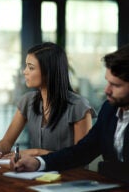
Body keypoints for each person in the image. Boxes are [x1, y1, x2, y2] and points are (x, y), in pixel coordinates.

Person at [10, 43, 129, 183]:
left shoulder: (78, 106)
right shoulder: (109, 109)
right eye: (107, 82)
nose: (107, 90)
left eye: (116, 85)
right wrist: (38, 162)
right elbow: (81, 152)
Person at [0, 42, 96, 160]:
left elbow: (81, 156)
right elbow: (7, 142)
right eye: (26, 66)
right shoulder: (27, 101)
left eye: (31, 67)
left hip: (69, 175)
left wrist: (36, 152)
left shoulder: (78, 106)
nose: (25, 71)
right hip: (34, 172)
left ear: (49, 71)